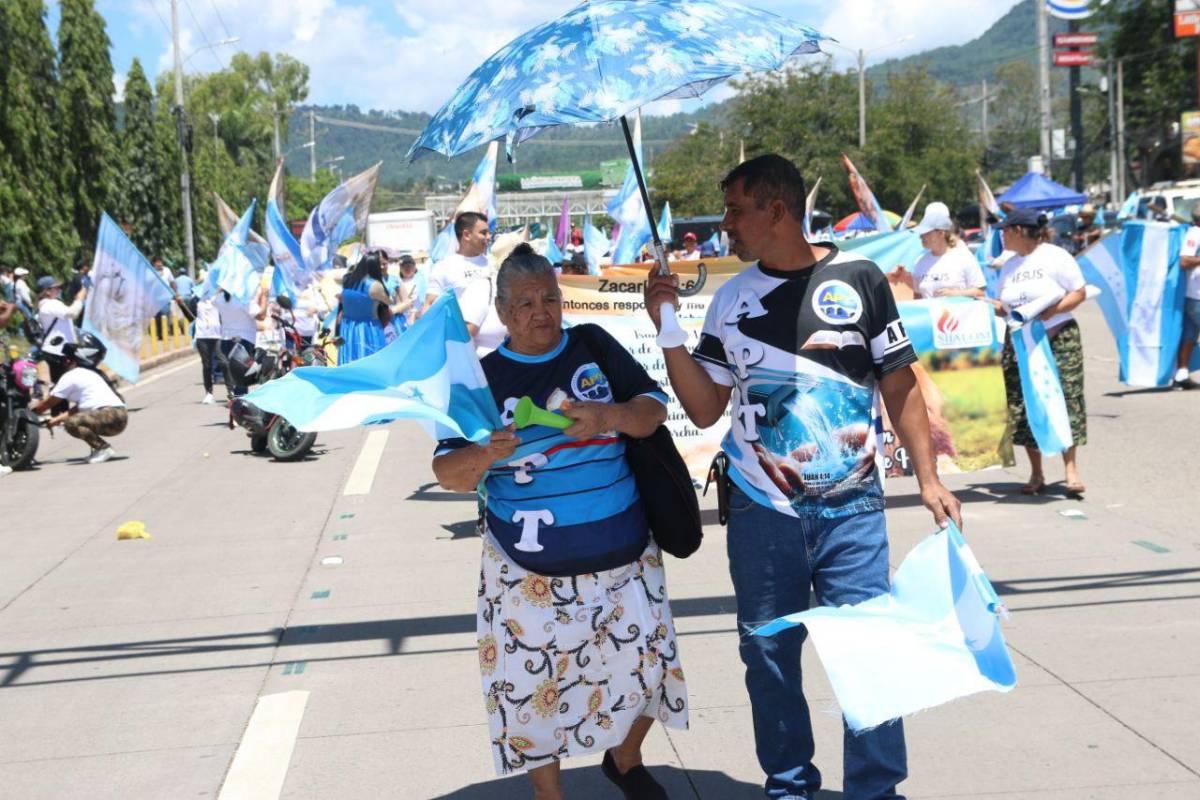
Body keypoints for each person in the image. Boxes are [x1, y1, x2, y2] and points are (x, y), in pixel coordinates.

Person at [644, 154, 961, 800]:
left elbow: (900, 386)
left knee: (869, 652)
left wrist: (929, 479)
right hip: (762, 512)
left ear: (777, 210)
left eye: (736, 211)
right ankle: (789, 786)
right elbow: (704, 409)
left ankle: (875, 789)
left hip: (853, 510)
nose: (726, 224)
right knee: (768, 658)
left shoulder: (860, 280)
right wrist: (667, 323)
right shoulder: (732, 299)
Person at [432, 243, 687, 799]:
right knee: (531, 691)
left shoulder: (593, 345)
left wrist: (608, 415)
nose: (540, 312)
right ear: (503, 313)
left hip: (624, 552)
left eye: (549, 298)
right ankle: (550, 794)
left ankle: (624, 759)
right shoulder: (480, 380)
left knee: (650, 667)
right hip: (527, 567)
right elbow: (447, 471)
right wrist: (487, 453)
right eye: (525, 303)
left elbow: (652, 411)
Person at [988, 208, 1089, 497]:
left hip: (1058, 337)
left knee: (1065, 398)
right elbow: (1004, 306)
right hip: (1020, 341)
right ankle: (1036, 472)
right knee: (1025, 402)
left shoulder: (1056, 257)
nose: (1002, 236)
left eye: (1005, 231)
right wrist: (975, 301)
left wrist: (1053, 311)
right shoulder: (1008, 266)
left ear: (1019, 231)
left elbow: (1078, 292)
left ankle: (1071, 470)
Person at [30, 334, 126, 464]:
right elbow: (80, 408)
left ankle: (103, 449)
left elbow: (49, 403)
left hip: (110, 416)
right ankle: (98, 449)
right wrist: (56, 420)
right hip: (120, 417)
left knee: (72, 423)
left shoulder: (71, 376)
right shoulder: (90, 374)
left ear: (72, 361)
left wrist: (31, 413)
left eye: (67, 360)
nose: (65, 363)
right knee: (80, 418)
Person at [906, 202, 986, 299]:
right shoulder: (919, 261)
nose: (921, 237)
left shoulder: (964, 258)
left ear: (941, 233)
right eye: (921, 233)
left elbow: (980, 292)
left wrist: (955, 293)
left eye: (926, 233)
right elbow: (917, 297)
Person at [423, 212, 491, 312]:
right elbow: (429, 305)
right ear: (467, 235)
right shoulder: (443, 267)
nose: (489, 237)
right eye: (483, 233)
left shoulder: (494, 264)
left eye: (489, 233)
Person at [337, 253, 392, 363]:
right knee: (370, 359)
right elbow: (388, 302)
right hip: (367, 327)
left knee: (349, 358)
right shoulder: (374, 285)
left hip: (347, 326)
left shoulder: (348, 281)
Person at [213, 288, 262, 400]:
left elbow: (213, 300)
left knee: (237, 375)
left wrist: (221, 288)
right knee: (242, 377)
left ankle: (236, 400)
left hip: (226, 341)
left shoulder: (220, 298)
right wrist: (264, 297)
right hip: (243, 341)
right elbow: (261, 316)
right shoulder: (244, 298)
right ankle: (239, 403)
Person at [1173, 208, 1200, 390]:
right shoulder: (1195, 234)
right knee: (1189, 336)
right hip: (1196, 296)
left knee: (1189, 337)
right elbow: (1184, 261)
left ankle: (1181, 376)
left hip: (1194, 295)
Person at [36, 276, 86, 345]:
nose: (59, 290)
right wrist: (79, 299)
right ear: (48, 291)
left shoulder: (44, 305)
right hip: (59, 348)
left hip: (55, 346)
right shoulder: (51, 304)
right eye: (56, 288)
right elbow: (73, 313)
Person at [193, 295, 221, 404]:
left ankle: (231, 392)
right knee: (207, 365)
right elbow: (190, 317)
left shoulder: (219, 298)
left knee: (224, 362)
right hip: (202, 336)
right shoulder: (196, 299)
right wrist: (181, 304)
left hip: (218, 335)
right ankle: (209, 393)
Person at [392, 255, 421, 332]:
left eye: (409, 266)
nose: (407, 269)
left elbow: (421, 302)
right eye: (404, 266)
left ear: (414, 267)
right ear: (400, 268)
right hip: (400, 320)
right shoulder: (396, 282)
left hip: (415, 318)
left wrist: (413, 315)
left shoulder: (420, 281)